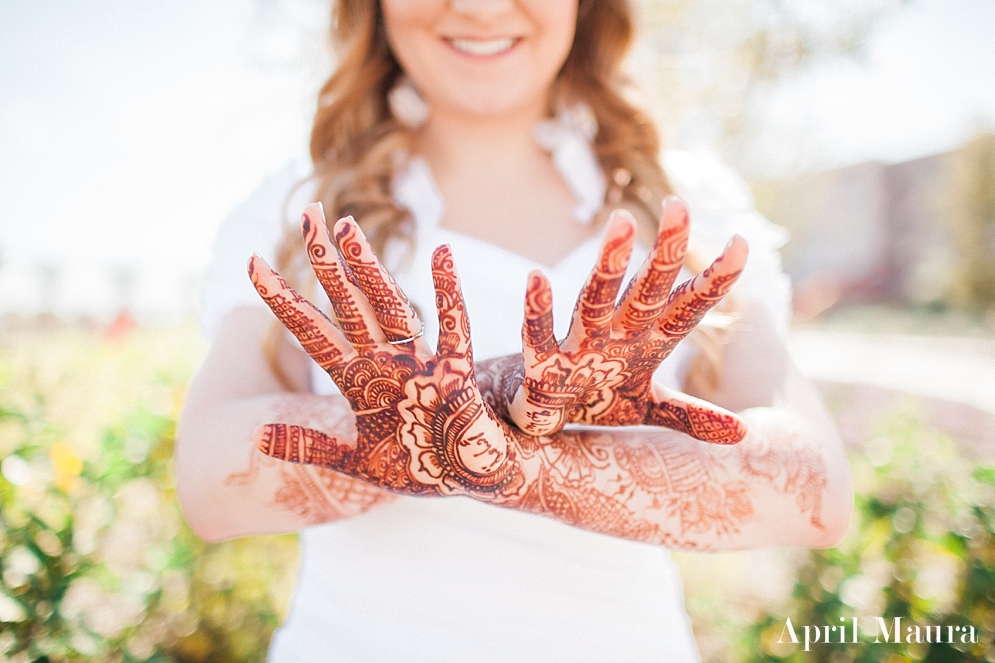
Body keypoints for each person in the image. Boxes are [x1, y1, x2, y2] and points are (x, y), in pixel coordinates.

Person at [176, 1, 853, 660]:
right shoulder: (299, 207)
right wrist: (488, 399)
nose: (479, 6)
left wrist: (508, 456)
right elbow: (209, 480)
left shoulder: (688, 204)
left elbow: (813, 490)